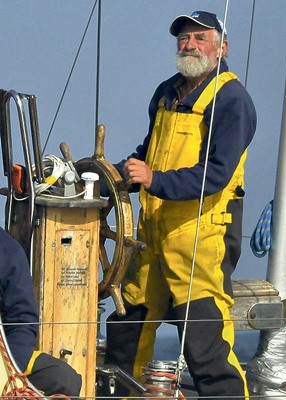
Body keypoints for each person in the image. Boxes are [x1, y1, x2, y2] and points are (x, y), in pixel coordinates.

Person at [104, 11, 256, 399]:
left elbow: (216, 174)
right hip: (151, 234)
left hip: (201, 237)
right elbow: (148, 154)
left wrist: (154, 180)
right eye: (184, 38)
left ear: (222, 47)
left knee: (204, 342)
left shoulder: (231, 98)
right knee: (127, 325)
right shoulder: (167, 91)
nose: (189, 44)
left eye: (199, 38)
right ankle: (125, 394)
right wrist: (109, 177)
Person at [0, 226, 82, 398]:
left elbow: (22, 320)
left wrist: (11, 372)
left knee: (64, 379)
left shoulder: (7, 250)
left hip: (3, 358)